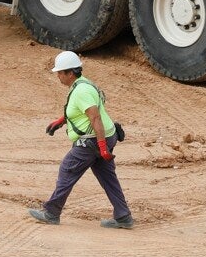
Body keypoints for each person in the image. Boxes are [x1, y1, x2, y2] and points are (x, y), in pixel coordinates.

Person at [28, 50, 134, 229]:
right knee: (107, 177)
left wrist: (101, 147)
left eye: (60, 73)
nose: (58, 76)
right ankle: (123, 216)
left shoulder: (81, 91)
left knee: (67, 170)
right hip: (106, 136)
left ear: (70, 73)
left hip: (92, 140)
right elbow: (84, 113)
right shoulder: (84, 84)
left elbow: (95, 118)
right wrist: (62, 121)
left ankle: (51, 212)